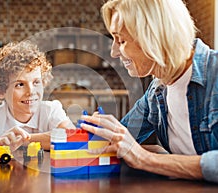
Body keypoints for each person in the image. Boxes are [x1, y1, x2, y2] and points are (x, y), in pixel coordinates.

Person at [81, 0, 218, 183]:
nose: (114, 52)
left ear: (154, 36)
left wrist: (145, 158)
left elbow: (136, 154)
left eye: (121, 40)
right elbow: (117, 140)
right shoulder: (156, 92)